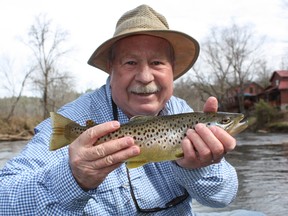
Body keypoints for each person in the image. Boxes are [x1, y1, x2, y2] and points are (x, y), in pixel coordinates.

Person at [0, 4, 265, 216]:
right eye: (130, 62)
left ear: (172, 71)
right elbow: (4, 199)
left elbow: (222, 198)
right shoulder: (74, 120)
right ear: (111, 69)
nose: (145, 76)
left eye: (157, 62)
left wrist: (200, 167)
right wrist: (73, 177)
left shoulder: (182, 113)